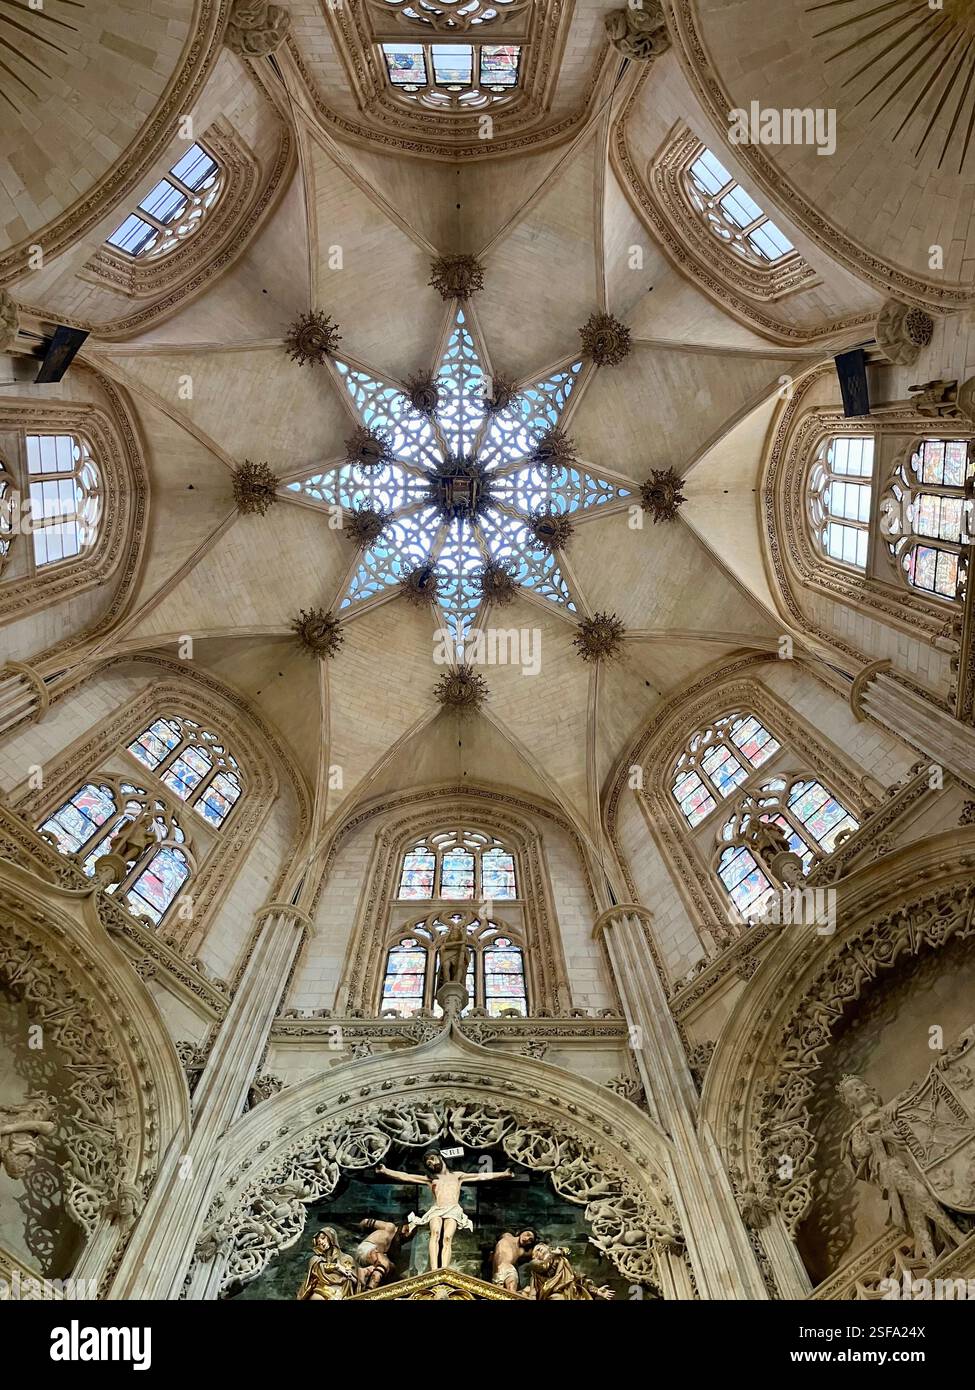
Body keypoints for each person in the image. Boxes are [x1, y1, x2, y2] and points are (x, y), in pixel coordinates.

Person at [377, 1149, 513, 1270]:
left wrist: (504, 1174)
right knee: (435, 1233)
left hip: (453, 1209)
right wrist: (385, 1171)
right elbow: (406, 1176)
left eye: (432, 1158)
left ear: (440, 1157)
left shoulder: (457, 1176)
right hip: (437, 1209)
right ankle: (435, 1269)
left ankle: (444, 1269)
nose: (430, 1162)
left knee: (447, 1237)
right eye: (427, 1162)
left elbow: (480, 1176)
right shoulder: (430, 1179)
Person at [296, 1227, 357, 1300]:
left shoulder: (347, 1258)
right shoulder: (316, 1260)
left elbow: (355, 1282)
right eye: (318, 1242)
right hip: (321, 1290)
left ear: (331, 1238)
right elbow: (320, 1268)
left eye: (323, 1238)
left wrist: (350, 1277)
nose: (321, 1242)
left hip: (341, 1291)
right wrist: (336, 1267)